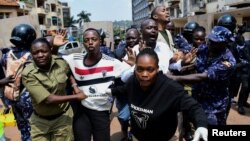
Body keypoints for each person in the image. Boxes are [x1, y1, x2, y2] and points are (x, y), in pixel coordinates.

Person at [106, 48, 208, 141]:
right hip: (138, 137)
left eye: (150, 69)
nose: (144, 74)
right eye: (140, 69)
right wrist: (109, 91)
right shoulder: (133, 82)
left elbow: (194, 107)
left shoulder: (171, 88)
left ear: (157, 69)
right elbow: (123, 89)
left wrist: (202, 125)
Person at [62, 28, 131, 141]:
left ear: (100, 41)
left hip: (101, 112)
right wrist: (74, 84)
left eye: (94, 39)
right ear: (83, 43)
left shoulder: (112, 62)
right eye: (86, 40)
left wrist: (134, 65)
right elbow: (59, 64)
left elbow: (134, 75)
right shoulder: (74, 59)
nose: (90, 42)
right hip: (81, 112)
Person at [168, 26, 236, 125]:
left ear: (224, 43)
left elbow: (202, 76)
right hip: (198, 97)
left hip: (214, 104)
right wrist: (184, 64)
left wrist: (175, 78)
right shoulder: (205, 48)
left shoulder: (227, 61)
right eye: (210, 40)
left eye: (215, 42)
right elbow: (196, 60)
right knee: (194, 123)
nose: (211, 43)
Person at [22, 38, 87, 140]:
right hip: (40, 122)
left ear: (50, 51)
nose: (40, 55)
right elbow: (48, 99)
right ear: (31, 54)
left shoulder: (60, 63)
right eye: (35, 53)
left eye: (44, 51)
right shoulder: (28, 73)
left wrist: (74, 86)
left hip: (63, 118)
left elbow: (69, 73)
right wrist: (76, 96)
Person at [0, 24, 36, 141]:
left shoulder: (6, 55)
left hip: (12, 96)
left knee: (22, 125)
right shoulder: (31, 56)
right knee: (33, 125)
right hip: (27, 96)